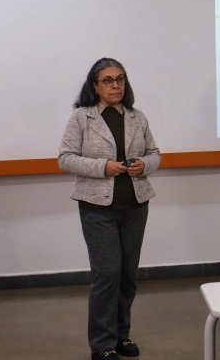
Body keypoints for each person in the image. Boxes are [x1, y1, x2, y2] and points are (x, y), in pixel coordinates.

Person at [58, 58, 161, 360]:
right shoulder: (82, 118)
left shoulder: (137, 117)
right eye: (107, 80)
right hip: (97, 208)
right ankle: (102, 344)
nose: (115, 85)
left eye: (120, 79)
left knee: (127, 275)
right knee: (107, 274)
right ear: (95, 86)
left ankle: (121, 336)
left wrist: (144, 165)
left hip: (135, 206)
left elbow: (154, 153)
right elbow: (65, 158)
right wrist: (103, 167)